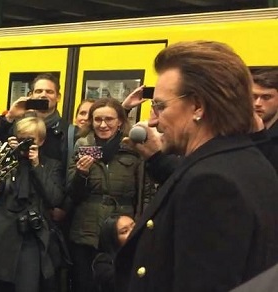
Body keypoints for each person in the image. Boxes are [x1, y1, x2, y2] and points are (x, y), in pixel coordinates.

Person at [114, 41, 278, 292]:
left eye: (160, 106)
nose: (153, 120)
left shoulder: (211, 183)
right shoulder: (246, 160)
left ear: (198, 106)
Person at [67, 97, 155, 292]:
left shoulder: (133, 147)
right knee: (85, 284)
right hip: (86, 228)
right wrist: (81, 174)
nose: (103, 124)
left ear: (120, 122)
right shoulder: (82, 145)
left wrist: (140, 223)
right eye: (97, 119)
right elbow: (73, 194)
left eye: (109, 119)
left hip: (122, 228)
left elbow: (144, 191)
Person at [0, 117, 65, 292]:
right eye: (20, 139)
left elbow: (54, 198)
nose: (24, 144)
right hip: (0, 235)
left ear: (40, 141)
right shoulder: (5, 162)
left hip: (31, 236)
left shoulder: (51, 165)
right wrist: (3, 159)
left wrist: (36, 165)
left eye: (29, 139)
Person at [92, 214, 135, 292]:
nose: (133, 232)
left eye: (134, 226)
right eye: (125, 231)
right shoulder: (103, 263)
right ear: (113, 239)